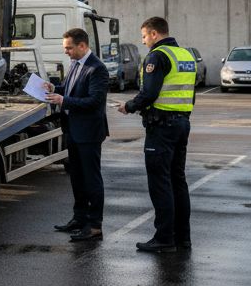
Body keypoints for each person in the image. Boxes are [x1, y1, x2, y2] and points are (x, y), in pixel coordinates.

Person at [115, 16, 196, 254]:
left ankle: (164, 238)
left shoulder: (157, 56)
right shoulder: (185, 55)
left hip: (161, 127)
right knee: (177, 181)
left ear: (154, 34)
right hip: (181, 123)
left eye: (144, 37)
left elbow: (149, 93)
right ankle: (183, 238)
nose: (143, 42)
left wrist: (129, 106)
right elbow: (190, 94)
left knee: (160, 183)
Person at [42, 28, 109, 242]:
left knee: (92, 180)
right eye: (65, 48)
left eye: (69, 48)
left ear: (82, 45)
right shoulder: (75, 64)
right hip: (73, 129)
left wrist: (63, 101)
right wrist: (56, 88)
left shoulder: (97, 69)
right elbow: (71, 90)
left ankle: (95, 225)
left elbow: (94, 102)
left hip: (89, 133)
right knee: (77, 179)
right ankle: (79, 218)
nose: (67, 52)